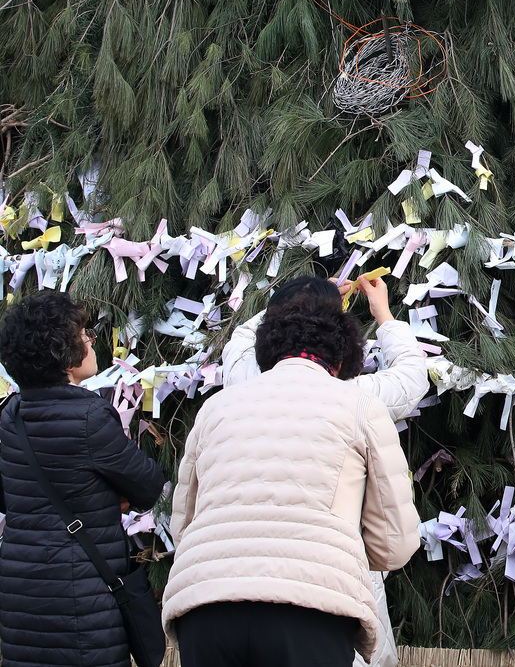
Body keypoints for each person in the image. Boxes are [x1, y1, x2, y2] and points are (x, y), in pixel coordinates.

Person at [163, 274, 420, 667]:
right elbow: (396, 543)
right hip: (311, 608)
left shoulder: (220, 403)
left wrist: (282, 302)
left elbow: (183, 522)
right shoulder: (358, 403)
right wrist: (383, 313)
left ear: (266, 343)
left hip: (206, 606)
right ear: (343, 354)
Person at [0, 290, 168, 667]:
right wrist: (107, 497)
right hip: (81, 593)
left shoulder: (9, 416)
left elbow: (10, 494)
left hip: (21, 593)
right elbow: (147, 484)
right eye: (83, 333)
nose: (91, 340)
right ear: (63, 353)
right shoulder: (89, 416)